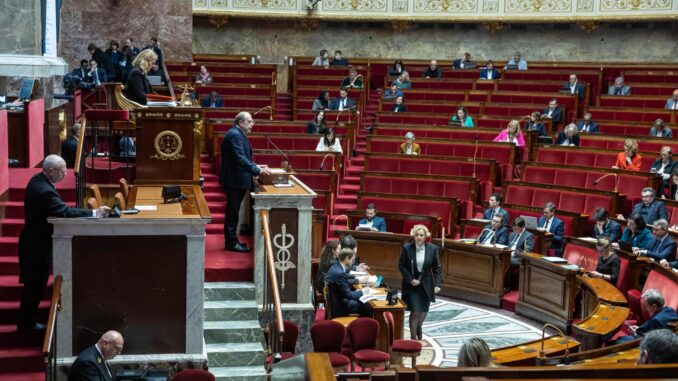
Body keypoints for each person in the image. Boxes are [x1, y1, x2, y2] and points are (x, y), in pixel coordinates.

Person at [18, 155, 108, 331]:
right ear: (51, 171)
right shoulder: (43, 189)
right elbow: (63, 211)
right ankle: (26, 324)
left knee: (35, 286)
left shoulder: (39, 180)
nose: (65, 174)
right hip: (36, 246)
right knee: (35, 286)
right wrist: (93, 214)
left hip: (34, 242)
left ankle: (26, 321)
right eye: (62, 171)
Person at [220, 112, 272, 252]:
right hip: (234, 181)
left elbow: (243, 158)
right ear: (240, 122)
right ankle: (231, 243)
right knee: (232, 213)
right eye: (249, 122)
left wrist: (256, 166)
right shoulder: (235, 135)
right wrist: (257, 170)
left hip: (236, 180)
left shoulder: (237, 134)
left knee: (234, 213)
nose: (252, 124)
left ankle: (233, 241)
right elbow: (239, 159)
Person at [398, 225, 441, 340]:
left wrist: (437, 284)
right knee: (415, 311)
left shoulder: (432, 248)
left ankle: (419, 326)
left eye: (421, 235)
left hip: (426, 284)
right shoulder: (407, 248)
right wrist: (410, 279)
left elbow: (436, 268)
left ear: (426, 236)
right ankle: (413, 338)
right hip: (412, 285)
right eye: (417, 235)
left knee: (423, 311)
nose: (419, 237)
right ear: (414, 236)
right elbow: (401, 266)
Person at [326, 248, 369, 318]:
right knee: (367, 307)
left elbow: (342, 283)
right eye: (352, 260)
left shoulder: (335, 267)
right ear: (346, 259)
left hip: (336, 302)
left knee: (361, 300)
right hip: (340, 307)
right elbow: (348, 295)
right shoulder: (340, 273)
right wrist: (362, 292)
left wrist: (358, 290)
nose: (352, 263)